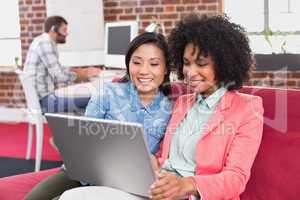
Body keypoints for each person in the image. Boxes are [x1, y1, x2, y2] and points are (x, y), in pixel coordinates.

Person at [59, 14, 264, 200]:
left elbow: (236, 178)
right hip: (156, 189)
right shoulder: (183, 103)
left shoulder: (247, 108)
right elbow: (166, 158)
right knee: (73, 196)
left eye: (201, 64)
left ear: (224, 63)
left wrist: (186, 185)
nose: (190, 72)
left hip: (190, 195)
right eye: (186, 63)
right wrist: (150, 162)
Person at [24, 32, 173, 200]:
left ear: (166, 68)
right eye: (137, 62)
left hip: (129, 184)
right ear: (128, 64)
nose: (144, 71)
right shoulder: (107, 93)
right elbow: (84, 139)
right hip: (83, 173)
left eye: (154, 64)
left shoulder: (171, 108)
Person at [23, 15, 101, 114]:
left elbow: (56, 69)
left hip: (42, 99)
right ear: (53, 29)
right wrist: (84, 74)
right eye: (64, 30)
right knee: (93, 99)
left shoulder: (41, 41)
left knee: (86, 98)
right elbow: (60, 76)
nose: (66, 33)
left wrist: (77, 71)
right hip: (45, 102)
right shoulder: (45, 43)